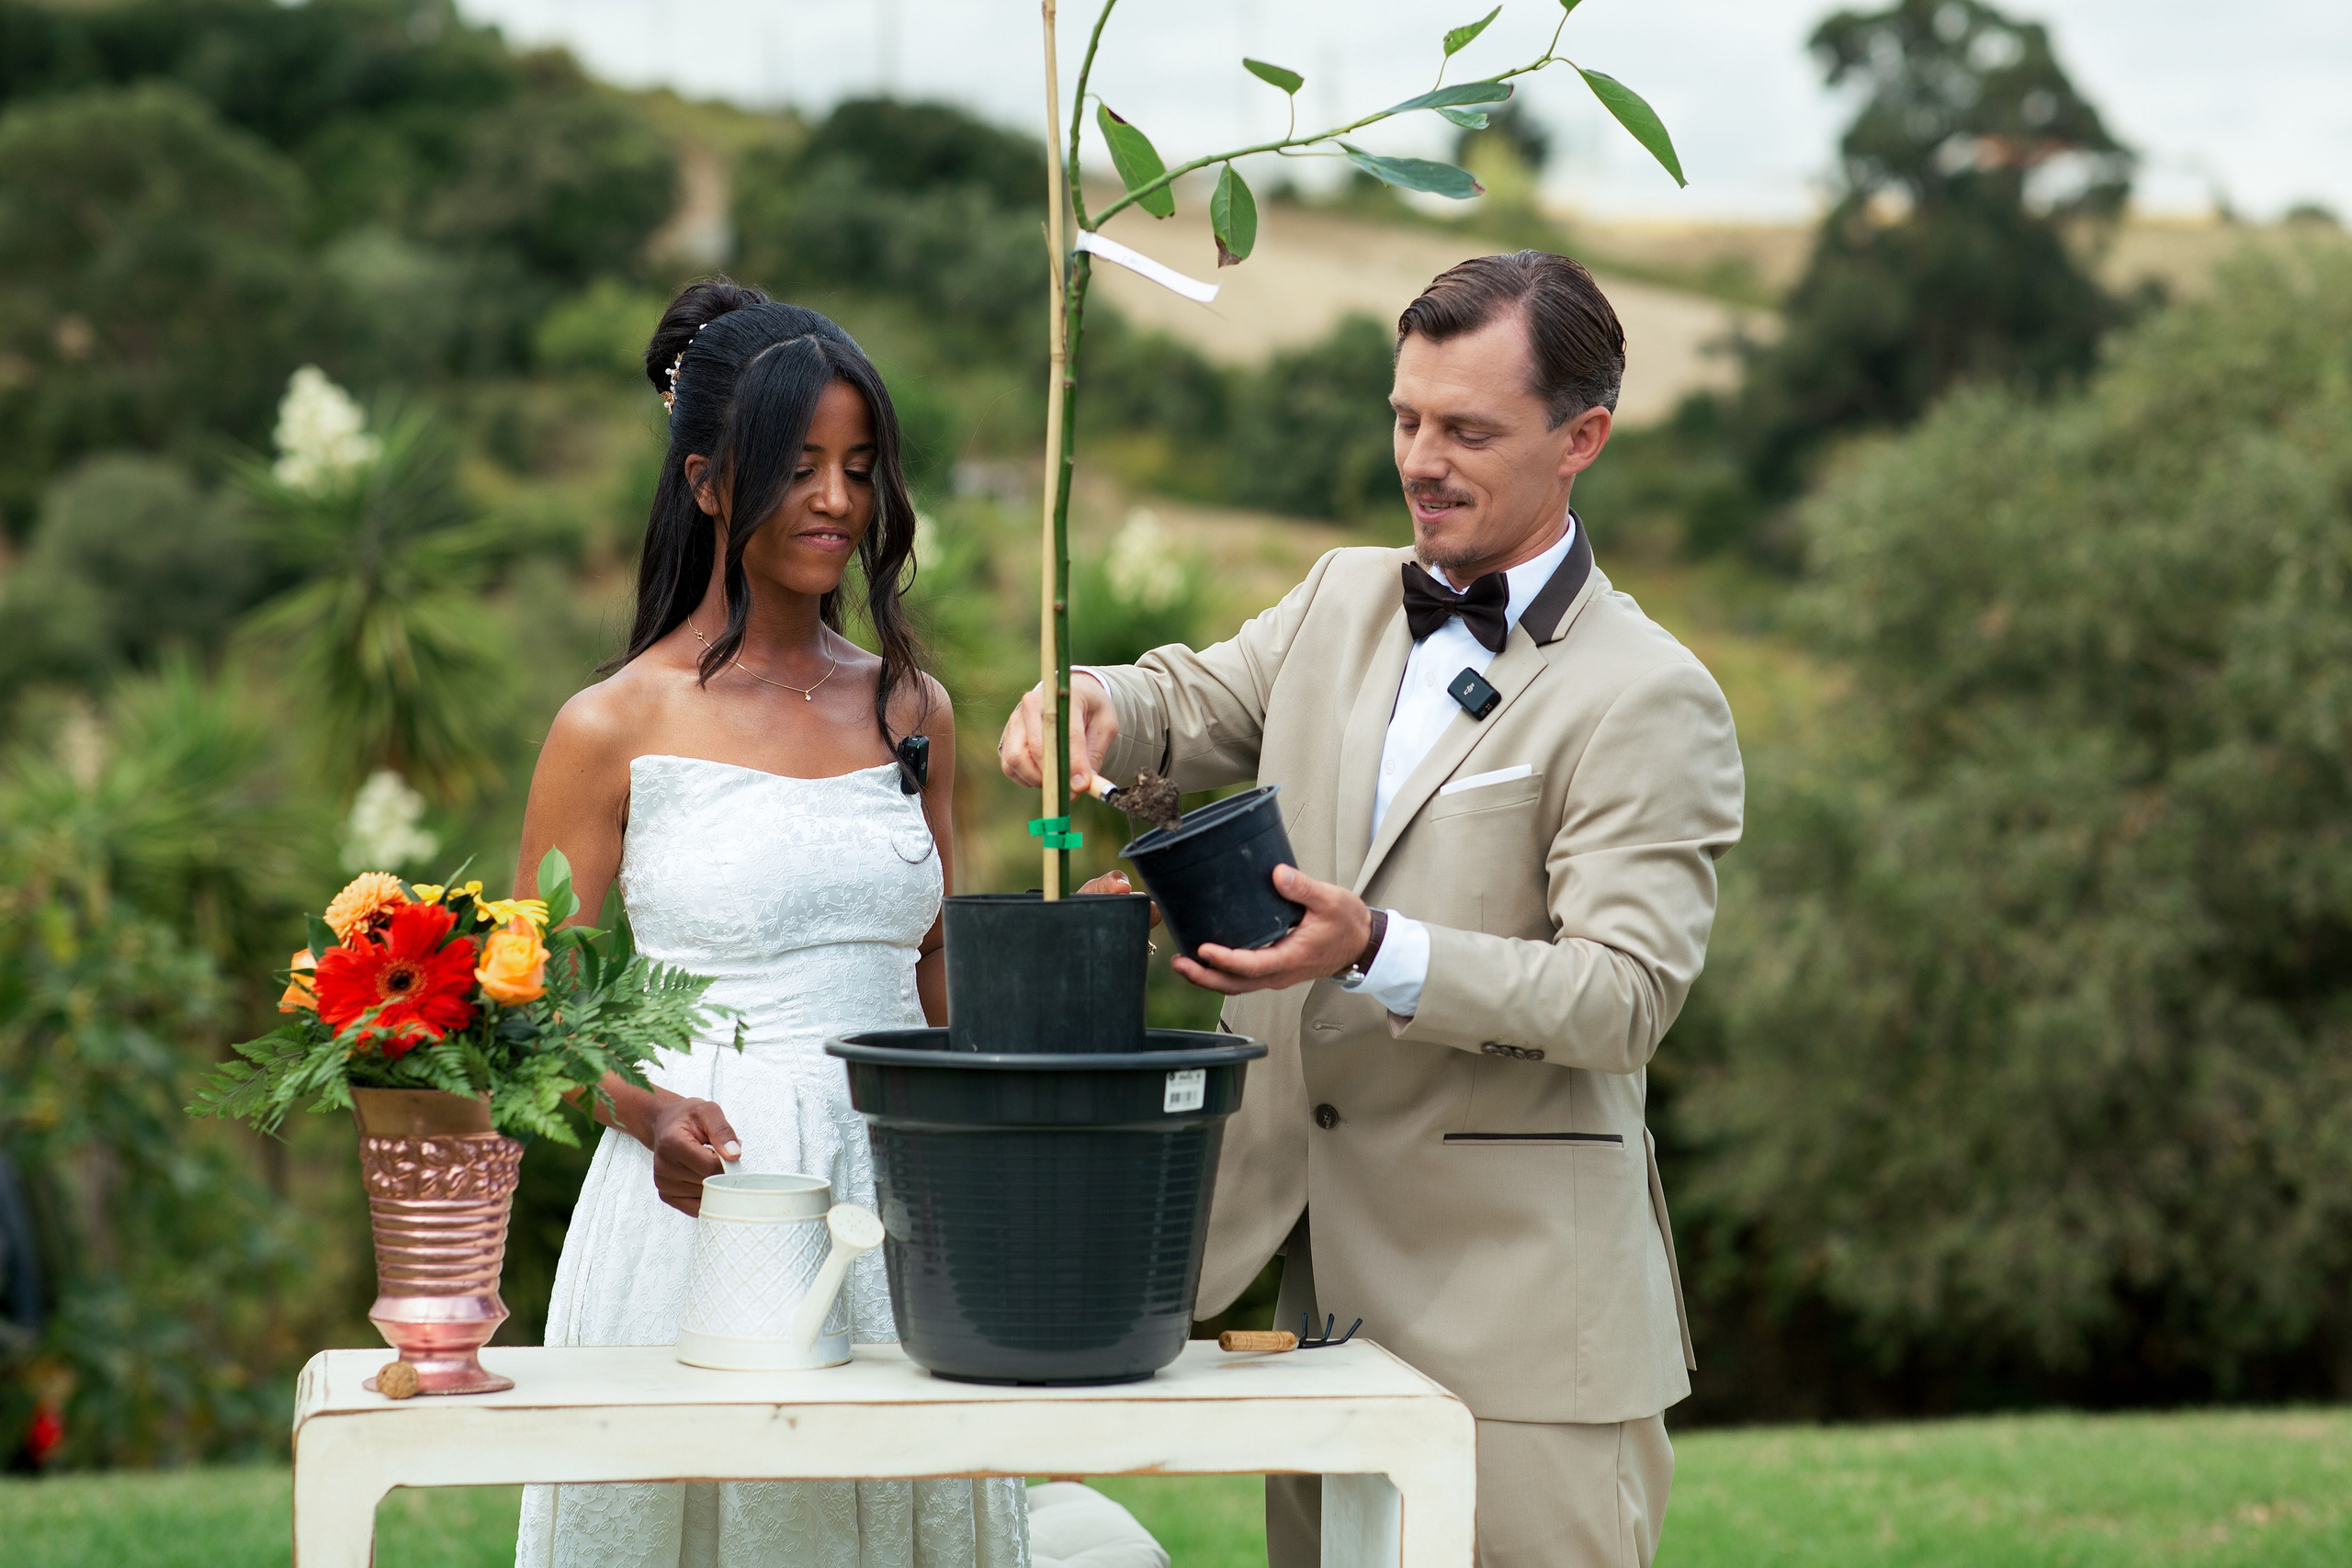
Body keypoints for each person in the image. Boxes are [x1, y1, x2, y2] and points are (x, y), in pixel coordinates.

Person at [1000, 252, 1745, 1568]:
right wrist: (1096, 699)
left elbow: (1624, 1001)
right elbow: (1187, 699)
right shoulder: (1342, 594)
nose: (1423, 459)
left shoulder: (1650, 694)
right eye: (1406, 419)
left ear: (1584, 437)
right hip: (1317, 1312)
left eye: (1467, 430)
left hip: (1525, 1333)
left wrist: (1380, 954)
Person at [512, 280, 1028, 1568]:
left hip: (899, 1201)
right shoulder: (611, 724)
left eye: (859, 468)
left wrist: (1005, 1111)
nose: (838, 502)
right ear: (705, 483)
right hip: (709, 1201)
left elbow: (937, 956)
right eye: (797, 468)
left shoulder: (915, 708)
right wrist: (644, 1115)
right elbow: (529, 1004)